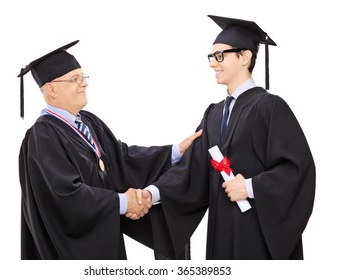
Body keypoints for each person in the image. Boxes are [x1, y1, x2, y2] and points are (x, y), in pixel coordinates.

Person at [140, 15, 316, 259]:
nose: (213, 63)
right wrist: (150, 195)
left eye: (220, 55)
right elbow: (191, 171)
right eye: (212, 57)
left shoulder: (270, 107)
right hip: (221, 232)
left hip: (257, 232)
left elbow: (298, 170)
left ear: (245, 57)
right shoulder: (213, 114)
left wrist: (251, 187)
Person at [17, 40, 201, 260]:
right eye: (75, 79)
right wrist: (123, 202)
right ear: (51, 89)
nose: (83, 84)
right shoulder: (42, 136)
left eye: (83, 77)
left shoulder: (88, 122)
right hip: (71, 253)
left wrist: (176, 151)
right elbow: (66, 196)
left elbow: (121, 158)